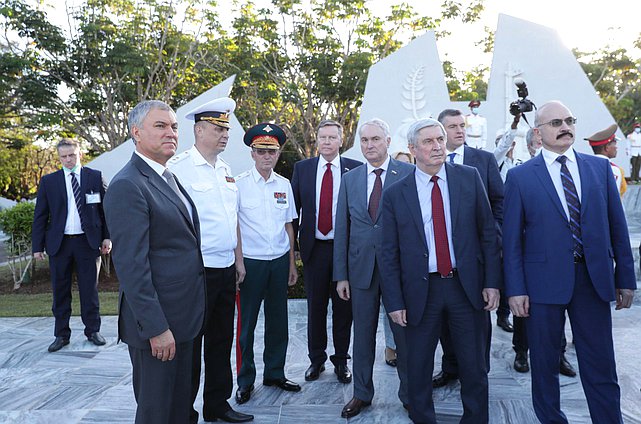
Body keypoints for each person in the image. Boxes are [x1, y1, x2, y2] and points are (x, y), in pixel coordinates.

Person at [503, 100, 636, 423]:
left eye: (569, 120)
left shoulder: (599, 169)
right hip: (541, 285)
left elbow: (617, 227)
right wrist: (515, 289)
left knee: (600, 363)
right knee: (545, 366)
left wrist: (626, 278)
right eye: (555, 123)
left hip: (592, 281)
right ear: (538, 132)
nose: (565, 127)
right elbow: (511, 241)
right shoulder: (521, 177)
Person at [381, 117, 501, 423]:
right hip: (421, 291)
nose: (437, 146)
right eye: (428, 142)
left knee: (474, 366)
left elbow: (487, 233)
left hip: (466, 287)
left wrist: (491, 282)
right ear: (412, 149)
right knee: (418, 368)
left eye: (440, 139)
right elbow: (388, 252)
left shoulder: (469, 178)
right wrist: (394, 302)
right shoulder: (396, 192)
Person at [104, 100, 206, 424]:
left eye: (174, 126)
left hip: (184, 319)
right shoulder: (127, 185)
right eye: (160, 126)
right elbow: (132, 267)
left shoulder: (166, 176)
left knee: (180, 408)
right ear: (136, 133)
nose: (171, 133)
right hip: (160, 327)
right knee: (157, 413)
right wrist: (157, 328)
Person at [168, 98, 253, 423]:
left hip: (225, 269)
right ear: (199, 130)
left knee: (221, 341)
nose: (224, 135)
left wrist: (238, 261)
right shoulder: (179, 169)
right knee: (190, 345)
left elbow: (231, 220)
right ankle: (185, 412)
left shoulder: (226, 171)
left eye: (226, 129)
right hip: (195, 272)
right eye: (218, 129)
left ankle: (217, 404)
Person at [333, 118, 414, 418]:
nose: (369, 145)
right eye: (364, 140)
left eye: (375, 139)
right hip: (360, 271)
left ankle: (409, 394)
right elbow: (343, 227)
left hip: (400, 272)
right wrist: (340, 274)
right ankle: (362, 394)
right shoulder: (351, 178)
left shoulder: (407, 173)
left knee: (404, 336)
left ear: (388, 141)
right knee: (363, 335)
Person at [432, 108, 505, 389]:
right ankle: (450, 367)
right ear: (440, 132)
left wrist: (493, 233)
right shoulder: (427, 163)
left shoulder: (483, 160)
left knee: (477, 322)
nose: (460, 130)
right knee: (444, 322)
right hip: (441, 259)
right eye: (452, 126)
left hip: (474, 258)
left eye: (462, 125)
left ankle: (478, 370)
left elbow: (499, 201)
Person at [234, 123, 300, 405]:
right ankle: (245, 381)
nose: (266, 156)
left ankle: (275, 373)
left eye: (271, 151)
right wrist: (239, 263)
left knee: (278, 322)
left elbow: (288, 226)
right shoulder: (238, 184)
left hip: (277, 263)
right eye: (261, 151)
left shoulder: (284, 185)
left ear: (278, 153)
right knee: (246, 326)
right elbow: (234, 226)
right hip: (251, 262)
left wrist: (292, 264)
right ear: (252, 153)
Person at [290, 119, 361, 384]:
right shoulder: (303, 169)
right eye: (323, 137)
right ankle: (316, 360)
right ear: (317, 140)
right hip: (315, 250)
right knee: (315, 309)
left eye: (333, 137)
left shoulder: (355, 169)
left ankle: (341, 361)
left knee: (344, 309)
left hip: (345, 251)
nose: (327, 142)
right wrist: (295, 250)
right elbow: (293, 213)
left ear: (341, 140)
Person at [32, 138, 111, 353]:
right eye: (63, 156)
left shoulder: (94, 177)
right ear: (59, 158)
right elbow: (40, 216)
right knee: (60, 291)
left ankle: (93, 330)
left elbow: (106, 211)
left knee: (89, 290)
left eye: (71, 155)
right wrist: (37, 246)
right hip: (60, 245)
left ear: (80, 154)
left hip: (88, 243)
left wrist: (107, 237)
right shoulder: (49, 182)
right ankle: (61, 334)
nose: (68, 160)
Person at [509, 127, 576, 378]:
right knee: (524, 313)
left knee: (555, 313)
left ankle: (559, 355)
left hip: (559, 258)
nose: (541, 145)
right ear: (530, 146)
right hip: (530, 259)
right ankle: (521, 351)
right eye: (537, 142)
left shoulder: (568, 170)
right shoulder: (520, 174)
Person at [586, 124, 627, 197]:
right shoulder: (614, 170)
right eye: (614, 144)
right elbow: (615, 197)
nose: (616, 147)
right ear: (607, 147)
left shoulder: (585, 167)